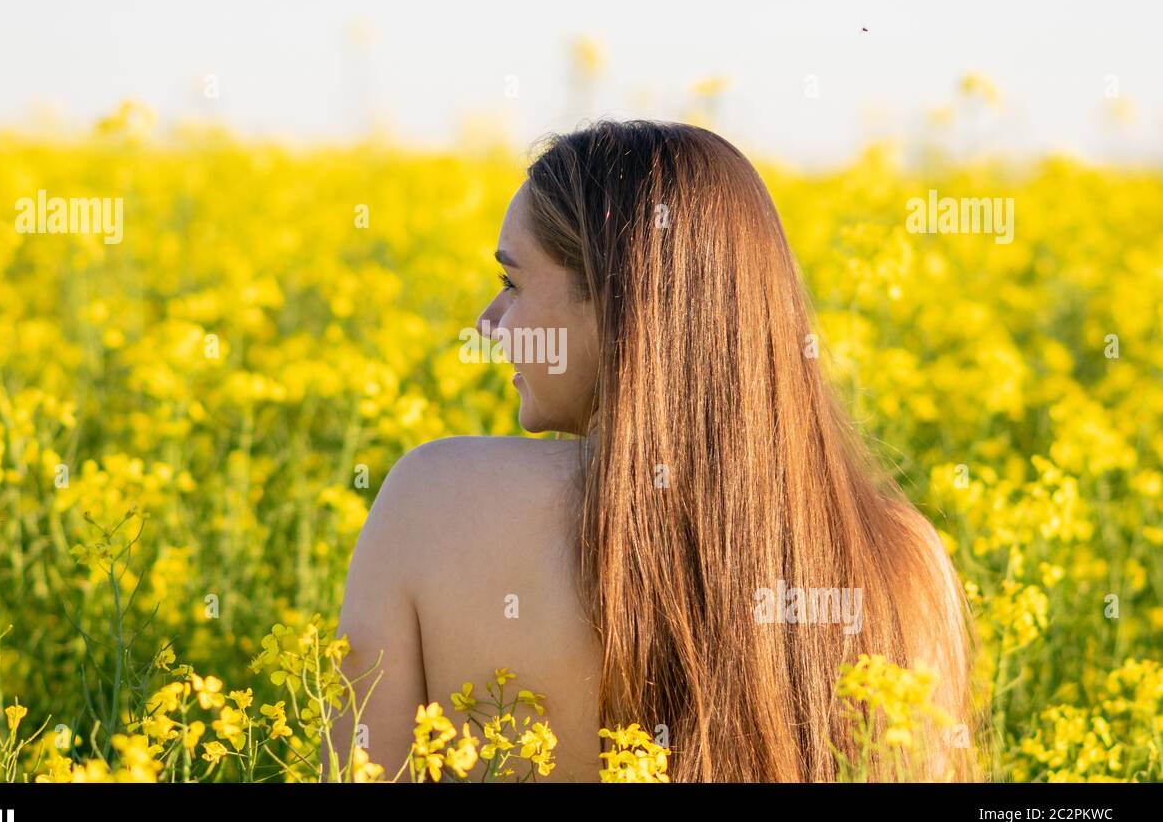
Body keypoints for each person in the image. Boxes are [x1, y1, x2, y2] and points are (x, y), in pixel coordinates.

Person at [328, 119, 980, 782]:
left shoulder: (434, 503)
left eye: (513, 283)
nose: (489, 323)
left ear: (617, 302)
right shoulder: (907, 565)